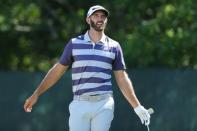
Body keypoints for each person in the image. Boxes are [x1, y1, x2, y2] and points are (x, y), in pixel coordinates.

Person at [24, 5, 151, 131]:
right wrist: (36, 94)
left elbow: (122, 79)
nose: (100, 19)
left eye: (103, 16)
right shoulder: (74, 44)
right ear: (88, 20)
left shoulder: (114, 46)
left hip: (104, 103)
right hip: (80, 103)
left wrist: (137, 106)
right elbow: (57, 70)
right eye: (95, 16)